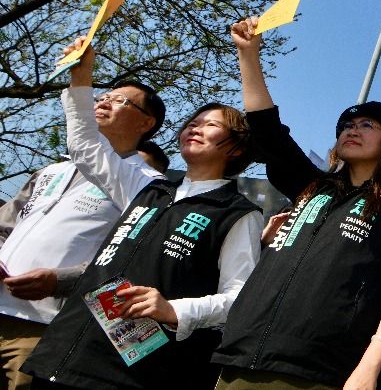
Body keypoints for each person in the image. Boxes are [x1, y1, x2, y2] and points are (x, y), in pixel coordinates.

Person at [22, 39, 263, 390]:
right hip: (64, 353)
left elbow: (239, 296)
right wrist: (81, 78)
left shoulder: (236, 214)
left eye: (210, 125)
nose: (194, 128)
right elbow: (86, 147)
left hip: (130, 373)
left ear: (237, 147)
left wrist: (174, 310)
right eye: (192, 122)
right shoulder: (148, 188)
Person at [212, 17, 381, 390]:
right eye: (346, 125)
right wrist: (248, 56)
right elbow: (269, 132)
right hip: (240, 357)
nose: (352, 129)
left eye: (367, 125)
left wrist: (371, 364)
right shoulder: (312, 185)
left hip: (320, 369)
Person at [0, 71, 165, 390]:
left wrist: (59, 281)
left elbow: (129, 260)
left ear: (146, 123)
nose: (104, 102)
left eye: (120, 100)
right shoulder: (51, 170)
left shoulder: (147, 186)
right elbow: (6, 223)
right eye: (103, 97)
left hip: (44, 325)